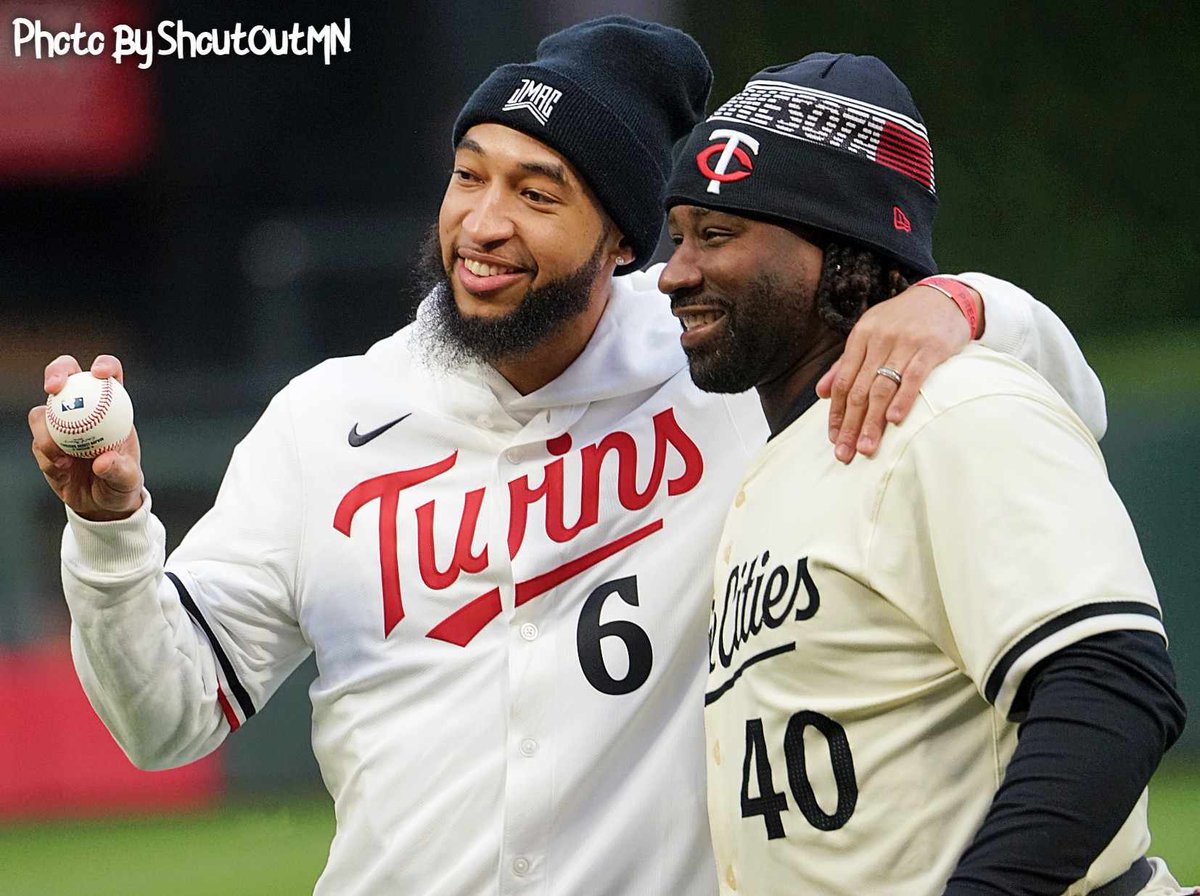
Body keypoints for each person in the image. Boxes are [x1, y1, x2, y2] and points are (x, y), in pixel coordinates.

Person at [30, 19, 1108, 896]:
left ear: (627, 242)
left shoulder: (720, 369)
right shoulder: (325, 419)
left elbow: (1063, 397)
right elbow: (164, 715)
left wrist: (962, 303)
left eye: (539, 194)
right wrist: (114, 530)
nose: (484, 225)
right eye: (469, 175)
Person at [660, 52, 1191, 895]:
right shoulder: (783, 453)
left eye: (719, 235)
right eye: (679, 233)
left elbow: (1108, 689)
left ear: (842, 251)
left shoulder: (956, 406)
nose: (676, 271)